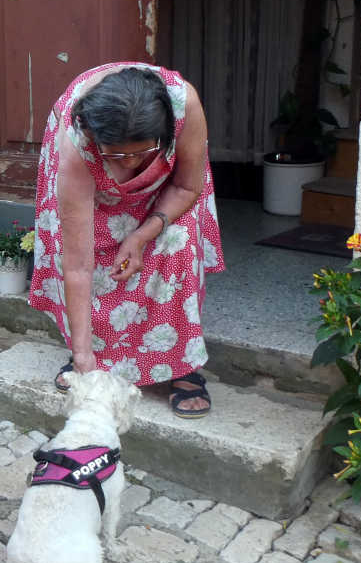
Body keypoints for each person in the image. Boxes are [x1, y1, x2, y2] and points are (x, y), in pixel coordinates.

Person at [28, 63, 224, 417]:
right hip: (88, 180)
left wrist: (140, 235)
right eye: (119, 154)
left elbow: (186, 186)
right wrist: (83, 361)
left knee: (176, 241)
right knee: (90, 252)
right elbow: (78, 264)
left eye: (143, 153)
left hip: (170, 192)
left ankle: (180, 365)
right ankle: (88, 352)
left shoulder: (183, 106)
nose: (132, 163)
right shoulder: (76, 143)